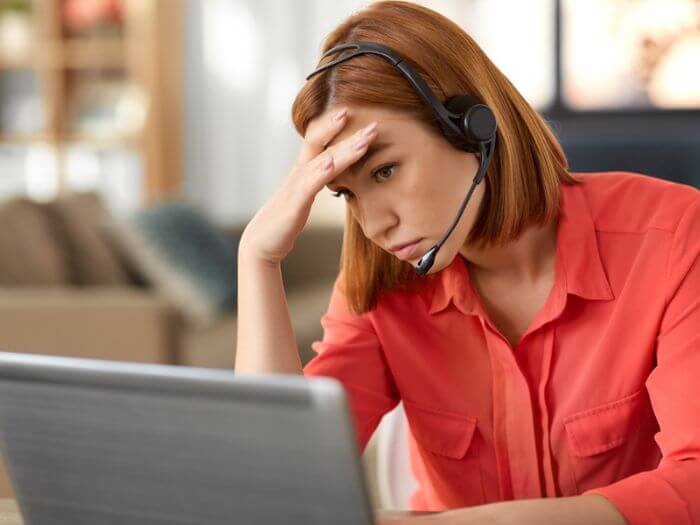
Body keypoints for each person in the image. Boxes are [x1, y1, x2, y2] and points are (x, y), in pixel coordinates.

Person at [235, 2, 700, 524]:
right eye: (347, 192)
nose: (373, 225)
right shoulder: (381, 287)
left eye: (385, 171)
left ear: (475, 128)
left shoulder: (674, 237)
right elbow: (277, 487)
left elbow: (695, 483)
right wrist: (258, 258)